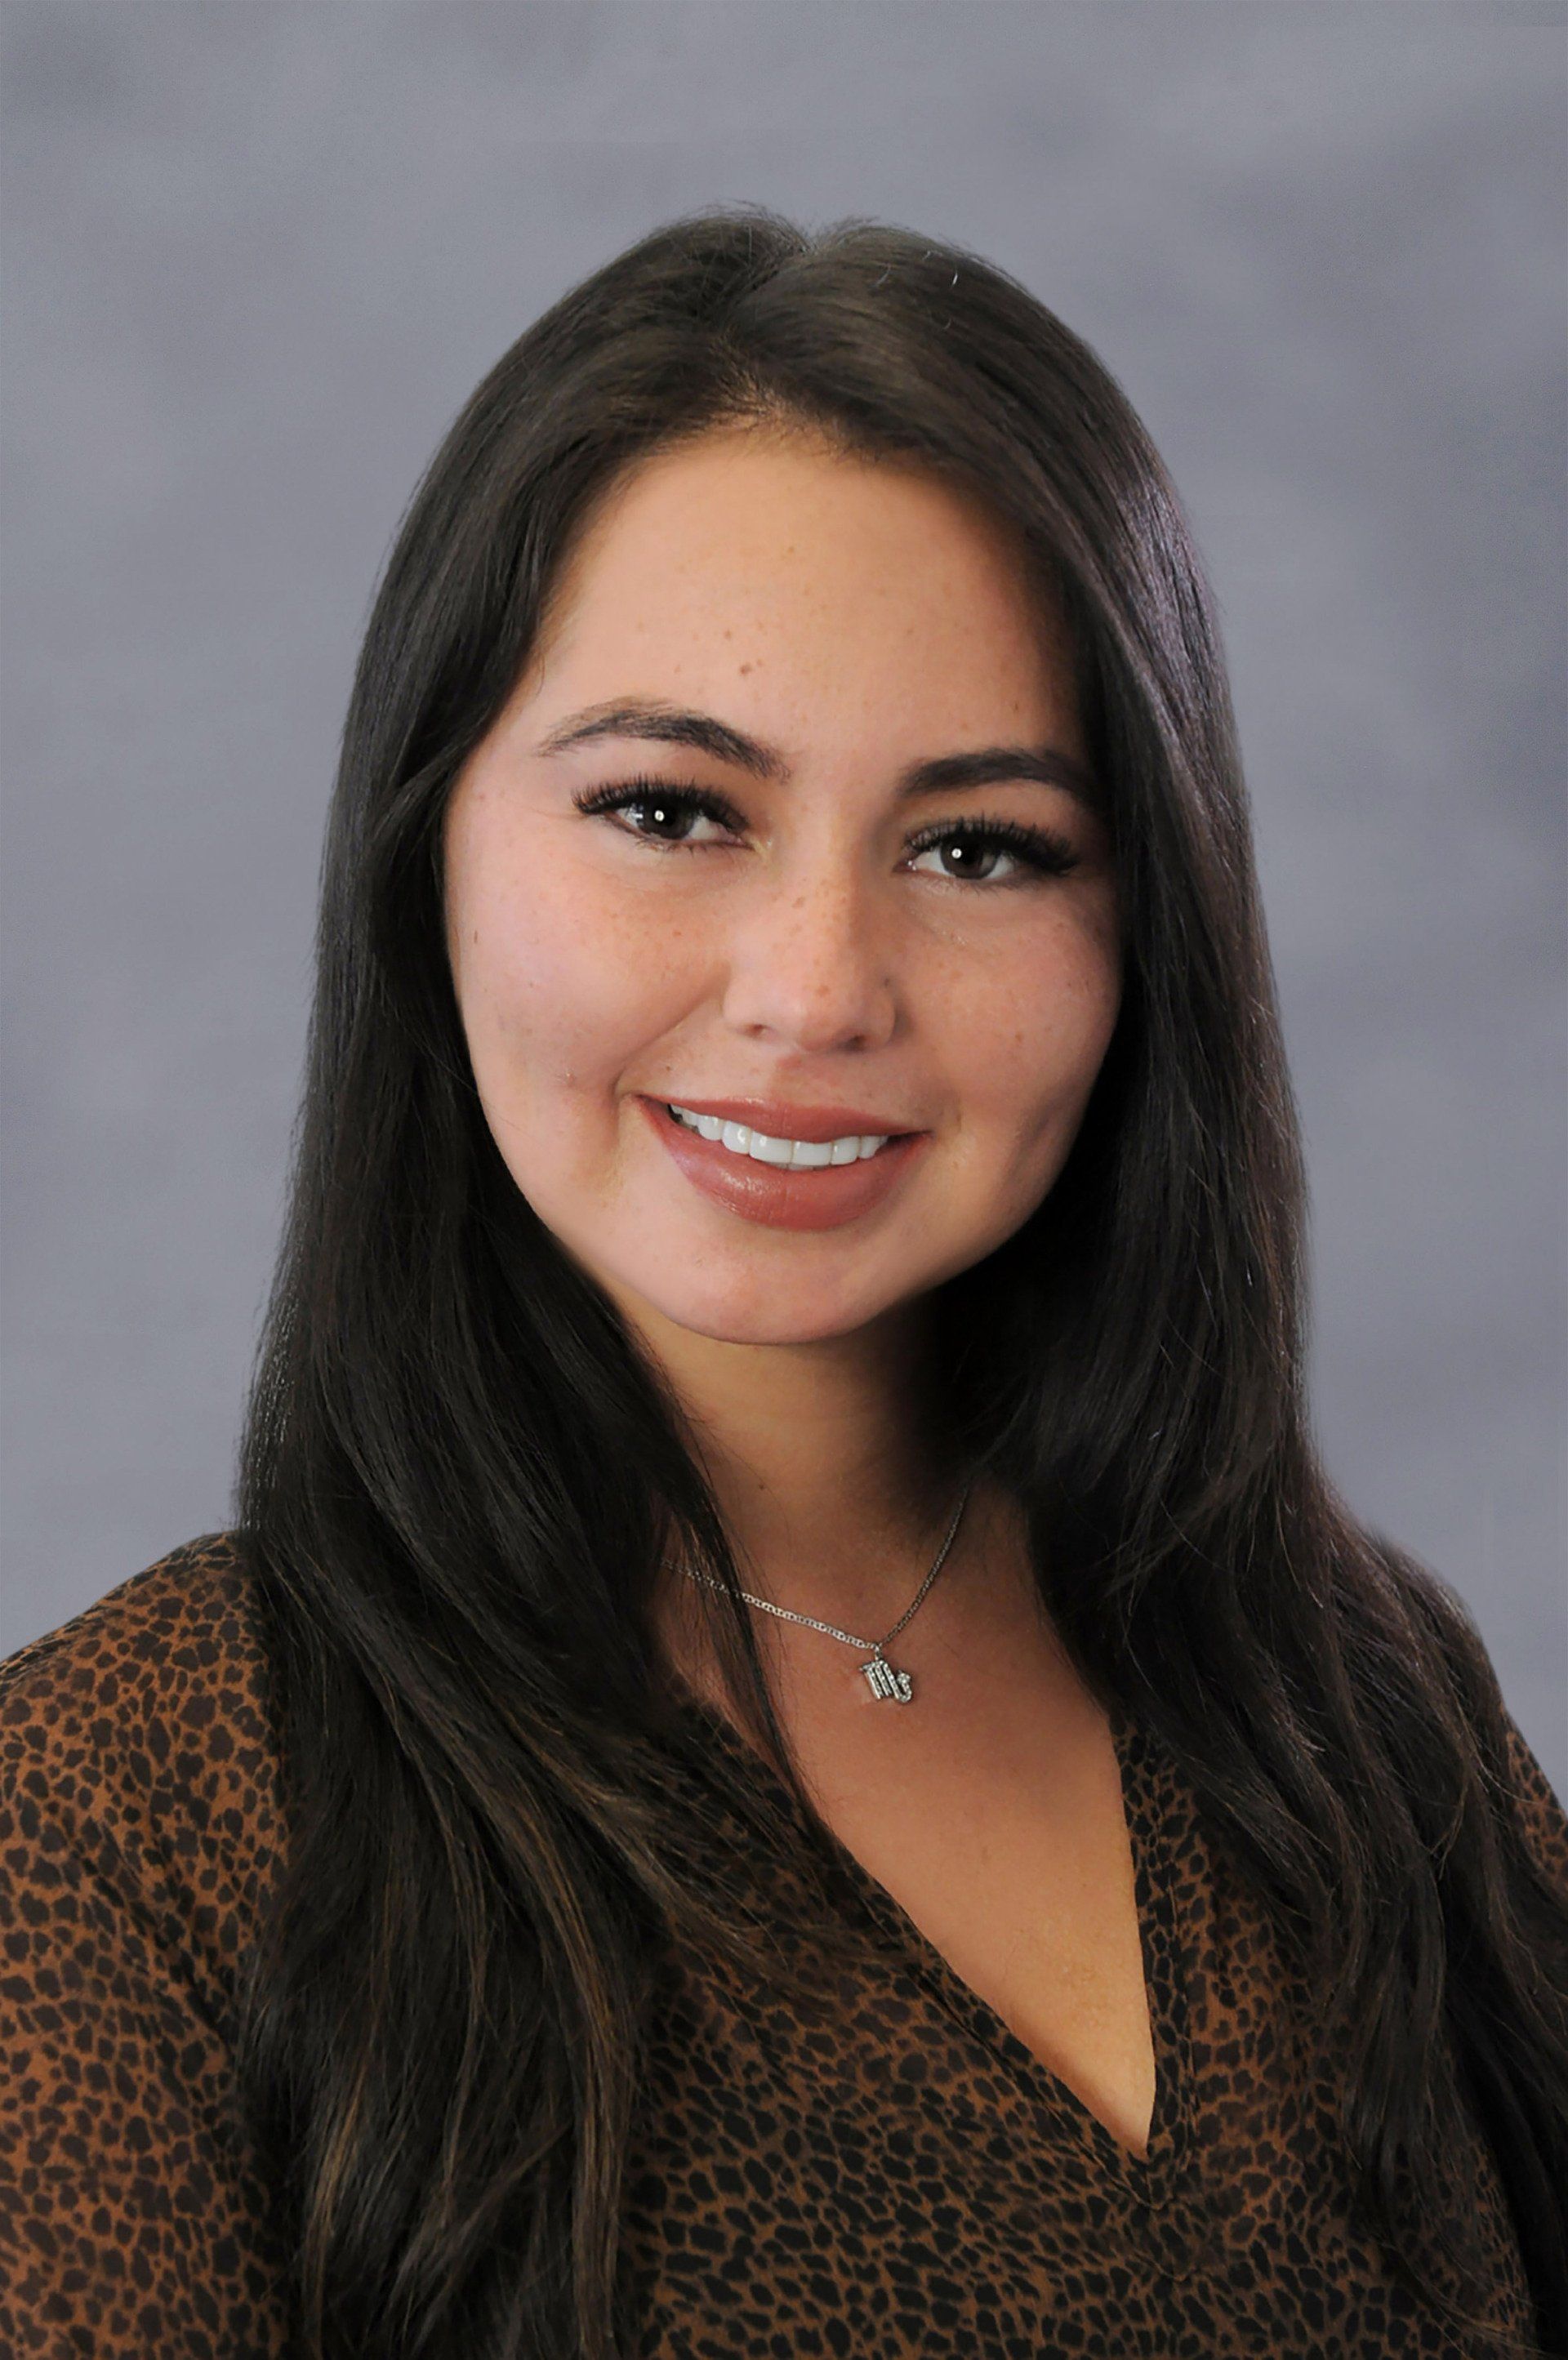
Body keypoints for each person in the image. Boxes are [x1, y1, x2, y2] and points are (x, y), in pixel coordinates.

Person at [2, 207, 1565, 2360]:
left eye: (981, 846)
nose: (819, 989)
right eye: (671, 808)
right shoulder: (120, 1824)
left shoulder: (1369, 1711)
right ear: (426, 841)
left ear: (1146, 936)